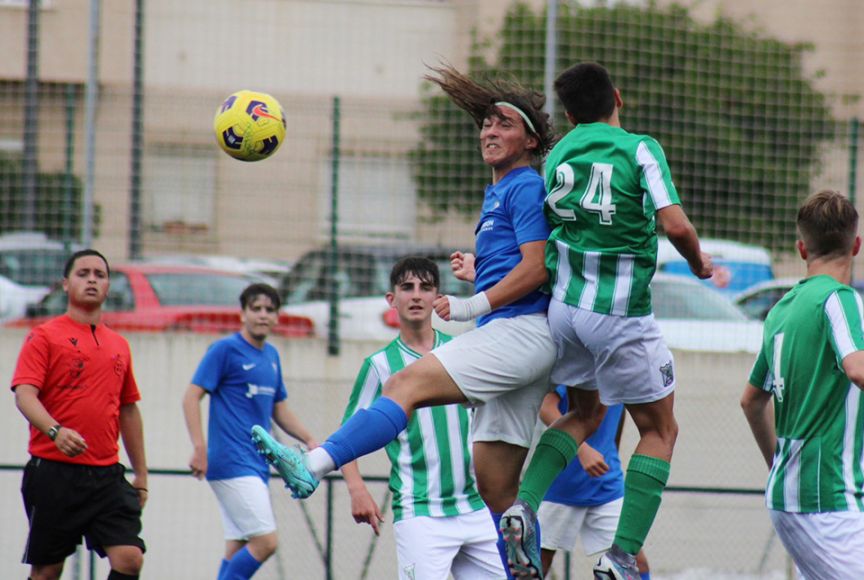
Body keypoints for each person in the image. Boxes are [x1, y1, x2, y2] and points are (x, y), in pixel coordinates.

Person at [250, 62, 557, 576]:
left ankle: (313, 463)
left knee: (403, 384)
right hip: (520, 339)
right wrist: (479, 271)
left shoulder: (524, 185)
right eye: (486, 123)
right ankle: (521, 546)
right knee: (496, 488)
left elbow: (536, 265)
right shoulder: (503, 189)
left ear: (530, 139)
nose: (490, 131)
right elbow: (519, 263)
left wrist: (471, 304)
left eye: (505, 124)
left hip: (517, 333)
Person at [499, 62, 713, 580]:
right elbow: (675, 223)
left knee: (585, 414)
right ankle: (621, 555)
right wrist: (699, 262)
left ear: (569, 114)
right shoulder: (639, 148)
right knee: (660, 429)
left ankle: (523, 505)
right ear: (618, 97)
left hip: (566, 312)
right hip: (620, 316)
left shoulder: (557, 155)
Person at [741, 190, 864, 579]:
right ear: (856, 245)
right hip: (824, 499)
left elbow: (751, 401)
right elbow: (859, 368)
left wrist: (778, 465)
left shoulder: (780, 310)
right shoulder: (839, 299)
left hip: (788, 496)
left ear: (801, 248)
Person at [340, 257, 506, 579]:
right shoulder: (379, 365)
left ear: (437, 298)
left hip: (474, 506)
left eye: (425, 288)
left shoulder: (460, 351)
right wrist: (356, 488)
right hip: (420, 512)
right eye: (407, 287)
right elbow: (349, 432)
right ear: (392, 299)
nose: (416, 295)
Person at [11, 249, 148, 580]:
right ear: (65, 284)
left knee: (129, 558)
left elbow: (128, 409)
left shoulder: (119, 345)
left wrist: (141, 472)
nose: (92, 280)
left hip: (106, 477)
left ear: (108, 286)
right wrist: (56, 431)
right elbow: (25, 395)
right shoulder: (44, 336)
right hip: (54, 474)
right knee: (47, 571)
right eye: (83, 273)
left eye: (99, 275)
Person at [183, 283, 317, 580]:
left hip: (256, 465)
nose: (263, 315)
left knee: (239, 545)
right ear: (242, 314)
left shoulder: (271, 356)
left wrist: (308, 439)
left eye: (270, 310)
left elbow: (278, 409)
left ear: (277, 317)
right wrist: (199, 447)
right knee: (266, 542)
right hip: (231, 462)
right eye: (256, 308)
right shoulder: (224, 350)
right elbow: (191, 396)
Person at [536, 387, 651, 580]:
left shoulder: (621, 369)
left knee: (635, 564)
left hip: (607, 486)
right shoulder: (581, 363)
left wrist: (610, 456)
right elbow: (546, 408)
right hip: (560, 485)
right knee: (536, 566)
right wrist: (581, 449)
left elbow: (617, 420)